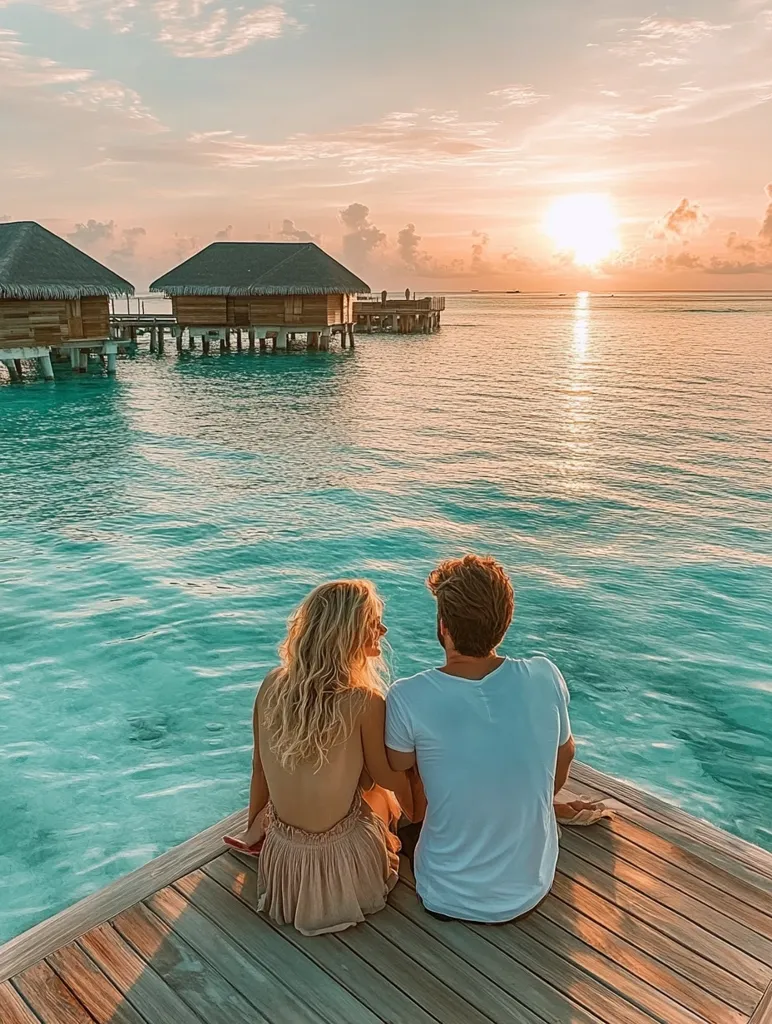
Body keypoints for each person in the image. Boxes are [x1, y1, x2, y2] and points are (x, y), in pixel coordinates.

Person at [386, 554, 597, 924]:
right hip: (532, 886)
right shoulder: (544, 674)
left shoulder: (408, 695)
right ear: (505, 622)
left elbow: (399, 771)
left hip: (444, 894)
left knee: (411, 766)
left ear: (443, 627)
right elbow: (564, 756)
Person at [225, 580, 414, 936]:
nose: (383, 630)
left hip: (285, 866)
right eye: (374, 622)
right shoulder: (364, 701)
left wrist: (258, 833)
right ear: (349, 633)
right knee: (381, 793)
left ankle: (260, 830)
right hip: (343, 871)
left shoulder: (271, 684)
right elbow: (385, 778)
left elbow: (259, 771)